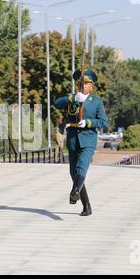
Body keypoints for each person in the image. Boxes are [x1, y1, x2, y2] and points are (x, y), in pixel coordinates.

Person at [54, 69, 108, 216]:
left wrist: (89, 122)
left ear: (91, 85)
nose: (83, 86)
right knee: (73, 173)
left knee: (82, 166)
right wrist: (73, 99)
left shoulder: (96, 102)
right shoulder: (73, 97)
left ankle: (75, 191)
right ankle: (86, 205)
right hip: (73, 140)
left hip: (88, 140)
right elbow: (56, 103)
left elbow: (104, 122)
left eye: (86, 83)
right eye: (81, 83)